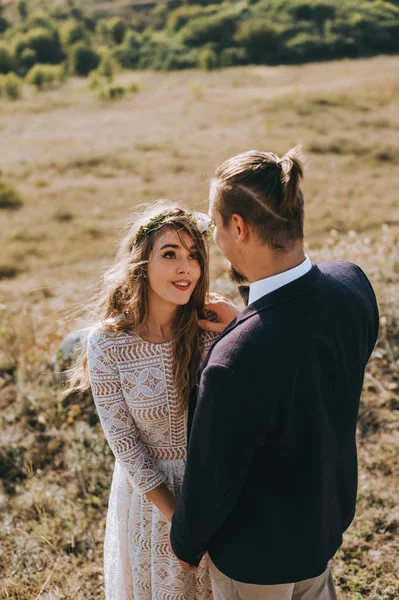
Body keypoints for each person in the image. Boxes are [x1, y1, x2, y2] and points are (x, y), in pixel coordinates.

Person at [170, 147, 379, 599]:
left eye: (216, 226)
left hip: (257, 559)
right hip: (324, 530)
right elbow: (309, 359)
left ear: (239, 227)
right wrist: (251, 318)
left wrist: (185, 545)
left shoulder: (234, 361)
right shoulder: (353, 286)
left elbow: (212, 479)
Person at [67, 201, 223, 600]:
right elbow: (124, 443)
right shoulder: (108, 343)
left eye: (193, 256)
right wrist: (179, 520)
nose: (184, 267)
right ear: (142, 263)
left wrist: (239, 320)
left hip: (213, 488)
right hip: (152, 500)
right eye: (169, 254)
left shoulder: (211, 328)